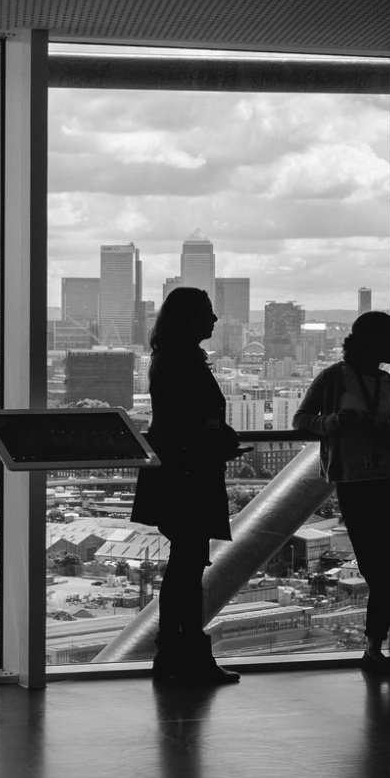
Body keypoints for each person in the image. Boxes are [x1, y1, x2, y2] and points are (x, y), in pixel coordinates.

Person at [293, 311, 390, 670]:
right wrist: (334, 422)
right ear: (372, 341)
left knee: (381, 568)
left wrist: (373, 425)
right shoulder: (334, 379)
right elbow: (301, 419)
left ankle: (373, 647)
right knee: (376, 568)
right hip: (361, 482)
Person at [130, 287, 246, 685]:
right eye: (208, 313)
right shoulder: (183, 362)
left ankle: (174, 654)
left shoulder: (170, 359)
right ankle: (187, 655)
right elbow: (189, 421)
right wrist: (217, 439)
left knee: (184, 566)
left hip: (177, 472)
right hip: (188, 475)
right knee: (187, 568)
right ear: (189, 319)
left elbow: (179, 419)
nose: (214, 320)